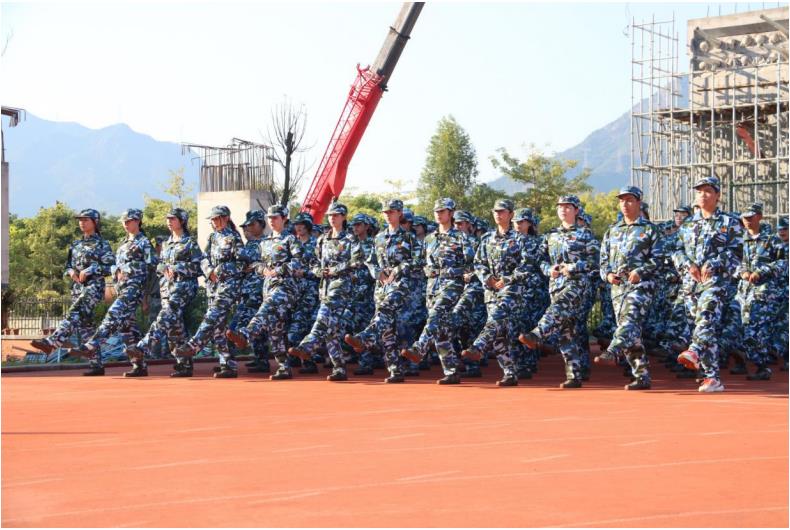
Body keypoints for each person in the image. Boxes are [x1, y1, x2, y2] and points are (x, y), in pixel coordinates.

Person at [519, 195, 600, 388]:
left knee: (558, 308)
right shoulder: (550, 235)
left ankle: (537, 334)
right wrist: (549, 270)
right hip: (556, 285)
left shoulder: (585, 235)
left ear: (576, 210)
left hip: (577, 284)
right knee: (566, 330)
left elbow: (595, 261)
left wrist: (573, 267)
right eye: (560, 207)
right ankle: (574, 374)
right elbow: (540, 260)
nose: (563, 210)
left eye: (568, 207)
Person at [672, 176, 743, 392]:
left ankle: (694, 350)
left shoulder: (729, 223)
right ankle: (711, 377)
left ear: (717, 195)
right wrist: (687, 264)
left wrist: (714, 263)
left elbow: (737, 252)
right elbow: (676, 250)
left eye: (708, 191)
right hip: (691, 284)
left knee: (706, 316)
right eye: (699, 191)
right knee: (704, 327)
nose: (703, 195)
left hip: (716, 282)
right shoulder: (688, 224)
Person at [70, 209, 157, 376]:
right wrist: (115, 270)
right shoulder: (123, 243)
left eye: (129, 221)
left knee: (113, 313)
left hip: (134, 288)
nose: (126, 224)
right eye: (124, 221)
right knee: (127, 329)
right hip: (122, 289)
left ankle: (91, 345)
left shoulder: (144, 242)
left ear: (137, 221)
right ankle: (139, 365)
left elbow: (152, 265)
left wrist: (145, 295)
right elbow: (113, 265)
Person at [594, 186, 663, 390]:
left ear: (639, 203)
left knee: (629, 321)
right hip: (618, 290)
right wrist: (607, 275)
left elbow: (660, 258)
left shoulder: (650, 230)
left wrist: (641, 271)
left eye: (630, 200)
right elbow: (603, 261)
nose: (625, 204)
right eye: (622, 200)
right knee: (631, 331)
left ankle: (612, 351)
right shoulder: (612, 231)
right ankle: (641, 375)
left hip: (641, 286)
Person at [226, 205, 303, 380]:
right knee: (276, 329)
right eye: (270, 218)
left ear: (284, 219)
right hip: (268, 287)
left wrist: (279, 270)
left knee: (266, 308)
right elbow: (256, 264)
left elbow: (299, 262)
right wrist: (262, 269)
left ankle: (246, 334)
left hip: (285, 288)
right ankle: (283, 367)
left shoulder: (290, 239)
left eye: (275, 217)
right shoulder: (265, 242)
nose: (272, 221)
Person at [344, 199, 416, 383]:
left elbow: (417, 261)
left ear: (399, 213)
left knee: (384, 312)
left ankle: (365, 337)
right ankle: (395, 369)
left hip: (401, 285)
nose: (388, 215)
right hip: (382, 286)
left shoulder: (409, 237)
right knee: (387, 330)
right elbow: (370, 261)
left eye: (391, 212)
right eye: (385, 212)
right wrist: (378, 273)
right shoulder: (379, 238)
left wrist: (397, 270)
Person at [125, 208, 202, 376]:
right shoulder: (166, 243)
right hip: (167, 289)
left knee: (166, 315)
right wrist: (163, 268)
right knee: (174, 325)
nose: (169, 221)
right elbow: (158, 264)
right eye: (167, 219)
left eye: (173, 219)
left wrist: (177, 267)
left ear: (182, 221)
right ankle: (184, 364)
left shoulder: (190, 242)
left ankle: (143, 346)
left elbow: (198, 266)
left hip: (184, 287)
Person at [401, 198, 471, 384]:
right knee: (440, 330)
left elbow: (472, 264)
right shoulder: (429, 239)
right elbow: (420, 262)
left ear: (451, 213)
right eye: (436, 211)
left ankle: (420, 348)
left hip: (452, 285)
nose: (439, 214)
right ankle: (452, 371)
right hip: (432, 286)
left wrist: (457, 272)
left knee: (435, 316)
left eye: (443, 211)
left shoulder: (461, 237)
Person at [30, 209, 114, 355]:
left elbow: (111, 267)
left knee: (75, 311)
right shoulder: (75, 244)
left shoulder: (102, 244)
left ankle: (53, 342)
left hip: (94, 287)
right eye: (80, 220)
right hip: (77, 288)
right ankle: (95, 361)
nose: (82, 223)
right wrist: (70, 271)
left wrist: (90, 270)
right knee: (85, 326)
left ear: (95, 222)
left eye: (85, 220)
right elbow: (68, 265)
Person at [461, 199, 525, 387]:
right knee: (499, 334)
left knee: (495, 320)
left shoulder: (520, 239)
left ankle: (478, 347)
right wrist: (487, 277)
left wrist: (507, 279)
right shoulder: (487, 238)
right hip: (491, 291)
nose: (498, 214)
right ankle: (509, 372)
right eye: (496, 211)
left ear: (511, 214)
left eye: (502, 211)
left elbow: (527, 266)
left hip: (512, 290)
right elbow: (478, 263)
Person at [174, 205, 243, 378]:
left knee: (212, 316)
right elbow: (202, 259)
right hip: (213, 287)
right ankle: (228, 365)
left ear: (226, 218)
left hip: (229, 286)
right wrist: (209, 270)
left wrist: (221, 270)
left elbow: (242, 263)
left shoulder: (234, 238)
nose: (213, 222)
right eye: (212, 219)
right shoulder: (212, 238)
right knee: (218, 328)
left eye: (216, 218)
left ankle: (194, 345)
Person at [289, 202, 355, 381]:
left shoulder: (350, 239)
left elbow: (356, 261)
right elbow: (314, 262)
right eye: (330, 215)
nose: (332, 218)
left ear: (343, 217)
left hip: (341, 287)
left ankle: (307, 346)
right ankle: (339, 368)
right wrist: (319, 271)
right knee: (331, 330)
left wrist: (335, 269)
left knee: (323, 316)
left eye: (336, 215)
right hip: (324, 287)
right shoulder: (322, 239)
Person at [736, 203, 786, 380]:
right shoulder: (739, 240)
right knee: (741, 329)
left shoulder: (772, 240)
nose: (747, 221)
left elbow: (782, 263)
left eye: (751, 217)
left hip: (764, 293)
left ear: (759, 217)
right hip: (743, 293)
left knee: (757, 330)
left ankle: (762, 366)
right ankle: (748, 362)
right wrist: (741, 272)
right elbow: (732, 261)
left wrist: (761, 271)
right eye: (745, 218)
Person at [231, 210, 270, 374]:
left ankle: (263, 360)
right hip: (247, 289)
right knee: (253, 324)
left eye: (252, 225)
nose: (248, 228)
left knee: (254, 323)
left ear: (261, 224)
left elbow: (266, 264)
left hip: (259, 290)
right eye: (247, 226)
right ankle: (259, 358)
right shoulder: (248, 244)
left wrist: (253, 265)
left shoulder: (266, 243)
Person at [288, 212, 321, 373]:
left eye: (302, 224)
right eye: (296, 224)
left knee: (304, 324)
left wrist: (306, 273)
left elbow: (321, 268)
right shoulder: (291, 243)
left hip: (311, 290)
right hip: (293, 290)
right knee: (292, 323)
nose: (299, 227)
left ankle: (309, 361)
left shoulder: (316, 244)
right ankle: (294, 356)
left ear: (308, 226)